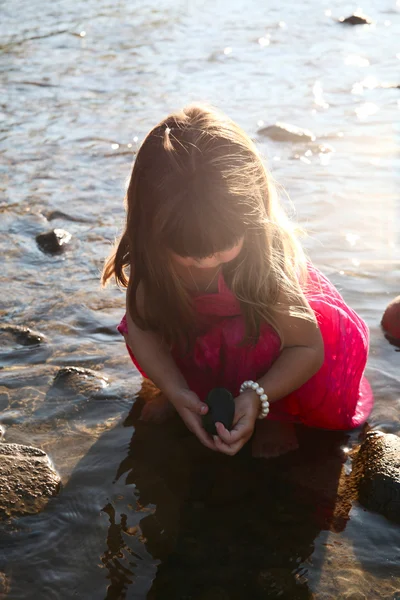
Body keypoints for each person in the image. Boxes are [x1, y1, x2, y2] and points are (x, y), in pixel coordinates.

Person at [101, 104, 373, 458]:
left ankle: (277, 411)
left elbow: (307, 348)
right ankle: (186, 396)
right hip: (201, 345)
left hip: (268, 348)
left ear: (252, 215)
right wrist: (175, 388)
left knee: (276, 373)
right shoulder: (154, 256)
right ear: (148, 226)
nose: (204, 260)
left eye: (221, 247)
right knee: (167, 348)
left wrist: (257, 398)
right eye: (186, 250)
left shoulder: (264, 265)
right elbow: (141, 330)